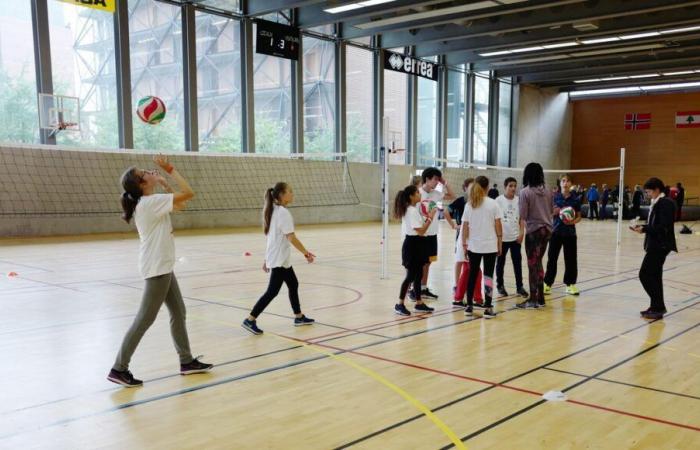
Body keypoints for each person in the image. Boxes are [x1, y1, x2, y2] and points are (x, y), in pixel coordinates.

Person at [108, 155, 213, 388]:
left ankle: (186, 362)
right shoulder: (149, 204)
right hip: (157, 268)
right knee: (144, 319)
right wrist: (170, 170)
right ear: (141, 183)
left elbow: (181, 204)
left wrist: (164, 183)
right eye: (143, 172)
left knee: (179, 311)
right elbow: (189, 193)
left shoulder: (151, 201)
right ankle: (119, 368)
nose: (148, 171)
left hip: (163, 265)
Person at [241, 183, 316, 335]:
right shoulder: (282, 213)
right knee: (272, 291)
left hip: (280, 258)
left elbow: (271, 238)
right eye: (290, 191)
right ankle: (250, 319)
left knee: (293, 284)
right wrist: (306, 253)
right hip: (280, 259)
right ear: (281, 194)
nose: (292, 194)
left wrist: (266, 258)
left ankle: (299, 317)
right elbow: (291, 237)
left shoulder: (274, 211)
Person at [630, 177, 677, 320]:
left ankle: (658, 305)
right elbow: (656, 223)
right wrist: (643, 227)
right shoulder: (657, 202)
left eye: (649, 191)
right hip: (655, 244)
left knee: (645, 275)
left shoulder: (665, 203)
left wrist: (644, 229)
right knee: (655, 277)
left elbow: (662, 226)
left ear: (657, 190)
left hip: (660, 245)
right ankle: (656, 307)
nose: (647, 195)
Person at [411, 167, 455, 300]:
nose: (437, 182)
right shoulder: (417, 193)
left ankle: (423, 289)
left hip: (433, 233)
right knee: (418, 263)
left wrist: (444, 182)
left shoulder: (437, 193)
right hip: (420, 234)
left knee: (428, 262)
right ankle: (414, 289)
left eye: (438, 179)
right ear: (427, 179)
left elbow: (453, 196)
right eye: (435, 179)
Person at [461, 176, 502, 319]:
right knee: (488, 276)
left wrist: (464, 245)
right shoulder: (493, 204)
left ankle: (469, 306)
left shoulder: (469, 204)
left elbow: (465, 227)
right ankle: (488, 307)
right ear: (488, 187)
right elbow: (498, 225)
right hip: (490, 245)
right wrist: (500, 242)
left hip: (474, 246)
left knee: (472, 275)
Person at [393, 185, 437, 316]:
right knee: (410, 276)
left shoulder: (413, 209)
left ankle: (419, 303)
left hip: (418, 244)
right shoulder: (411, 211)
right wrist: (430, 217)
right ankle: (399, 304)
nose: (420, 194)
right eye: (417, 193)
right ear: (411, 196)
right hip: (412, 245)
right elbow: (422, 230)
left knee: (418, 276)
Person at [517, 162, 553, 309]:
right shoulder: (549, 191)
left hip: (534, 232)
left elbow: (523, 215)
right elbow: (551, 210)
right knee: (538, 263)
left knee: (533, 264)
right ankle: (541, 298)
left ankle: (533, 299)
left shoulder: (525, 192)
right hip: (547, 231)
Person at [544, 174, 582, 296]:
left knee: (571, 260)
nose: (565, 183)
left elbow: (579, 216)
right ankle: (547, 284)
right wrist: (553, 212)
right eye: (563, 181)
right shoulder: (554, 197)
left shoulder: (575, 199)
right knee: (552, 259)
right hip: (555, 232)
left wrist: (572, 221)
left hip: (570, 234)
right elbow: (547, 213)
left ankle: (570, 285)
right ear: (560, 183)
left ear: (571, 184)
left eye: (568, 181)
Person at [449, 178, 483, 308]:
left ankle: (473, 298)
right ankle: (462, 297)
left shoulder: (476, 204)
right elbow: (466, 228)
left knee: (473, 270)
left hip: (472, 242)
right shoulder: (467, 205)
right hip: (467, 242)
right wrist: (465, 245)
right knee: (471, 269)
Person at [495, 177, 528, 298]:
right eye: (510, 186)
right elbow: (495, 220)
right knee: (500, 263)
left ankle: (520, 287)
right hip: (502, 239)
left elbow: (522, 219)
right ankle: (500, 286)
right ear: (505, 187)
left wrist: (521, 233)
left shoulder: (519, 200)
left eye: (515, 186)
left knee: (517, 263)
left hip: (515, 238)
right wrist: (497, 238)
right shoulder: (498, 201)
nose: (513, 188)